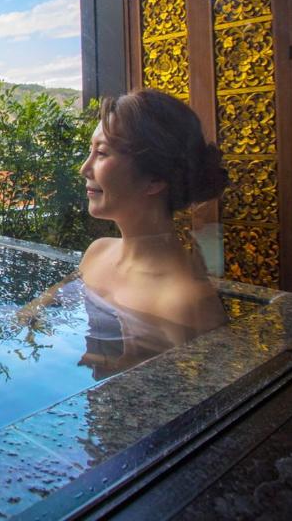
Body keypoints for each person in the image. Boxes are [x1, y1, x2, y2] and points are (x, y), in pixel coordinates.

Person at [75, 88, 229, 375]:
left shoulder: (182, 302)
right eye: (89, 152)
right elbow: (33, 315)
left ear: (155, 179)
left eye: (102, 153)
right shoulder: (97, 253)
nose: (85, 168)